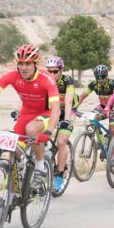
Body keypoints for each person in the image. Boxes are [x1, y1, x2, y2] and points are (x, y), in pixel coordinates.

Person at [0, 45, 60, 191]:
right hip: (26, 113)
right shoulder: (12, 75)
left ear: (36, 64)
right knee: (11, 154)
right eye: (20, 64)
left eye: (28, 64)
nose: (23, 68)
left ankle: (40, 166)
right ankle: (11, 196)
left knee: (31, 129)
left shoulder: (46, 79)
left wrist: (48, 131)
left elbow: (56, 108)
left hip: (45, 113)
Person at [44, 56, 78, 192]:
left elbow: (69, 101)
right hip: (53, 110)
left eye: (55, 71)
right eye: (49, 71)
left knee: (61, 142)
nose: (52, 75)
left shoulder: (68, 81)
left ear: (61, 70)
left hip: (68, 112)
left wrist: (67, 119)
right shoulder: (45, 80)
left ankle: (60, 174)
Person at [77, 64, 114, 138]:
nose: (100, 80)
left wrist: (113, 110)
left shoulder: (112, 83)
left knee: (112, 129)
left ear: (106, 75)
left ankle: (113, 147)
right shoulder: (93, 84)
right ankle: (101, 139)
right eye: (98, 77)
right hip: (103, 107)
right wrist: (74, 107)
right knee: (92, 119)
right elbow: (82, 97)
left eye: (102, 77)